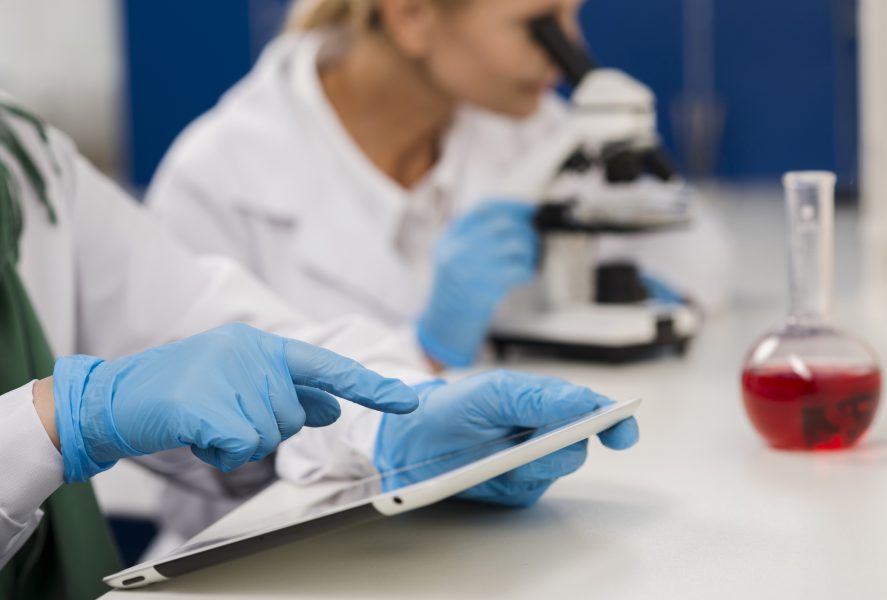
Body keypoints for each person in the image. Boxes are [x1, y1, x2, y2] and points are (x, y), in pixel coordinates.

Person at [0, 98, 638, 599]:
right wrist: (53, 422)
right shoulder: (228, 159)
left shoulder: (25, 159)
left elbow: (214, 326)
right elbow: (192, 461)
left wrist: (403, 422)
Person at [147, 0, 733, 371]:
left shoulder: (524, 127)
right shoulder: (218, 177)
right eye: (540, 25)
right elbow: (199, 453)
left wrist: (637, 294)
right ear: (411, 15)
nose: (568, 55)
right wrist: (423, 352)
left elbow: (699, 251)